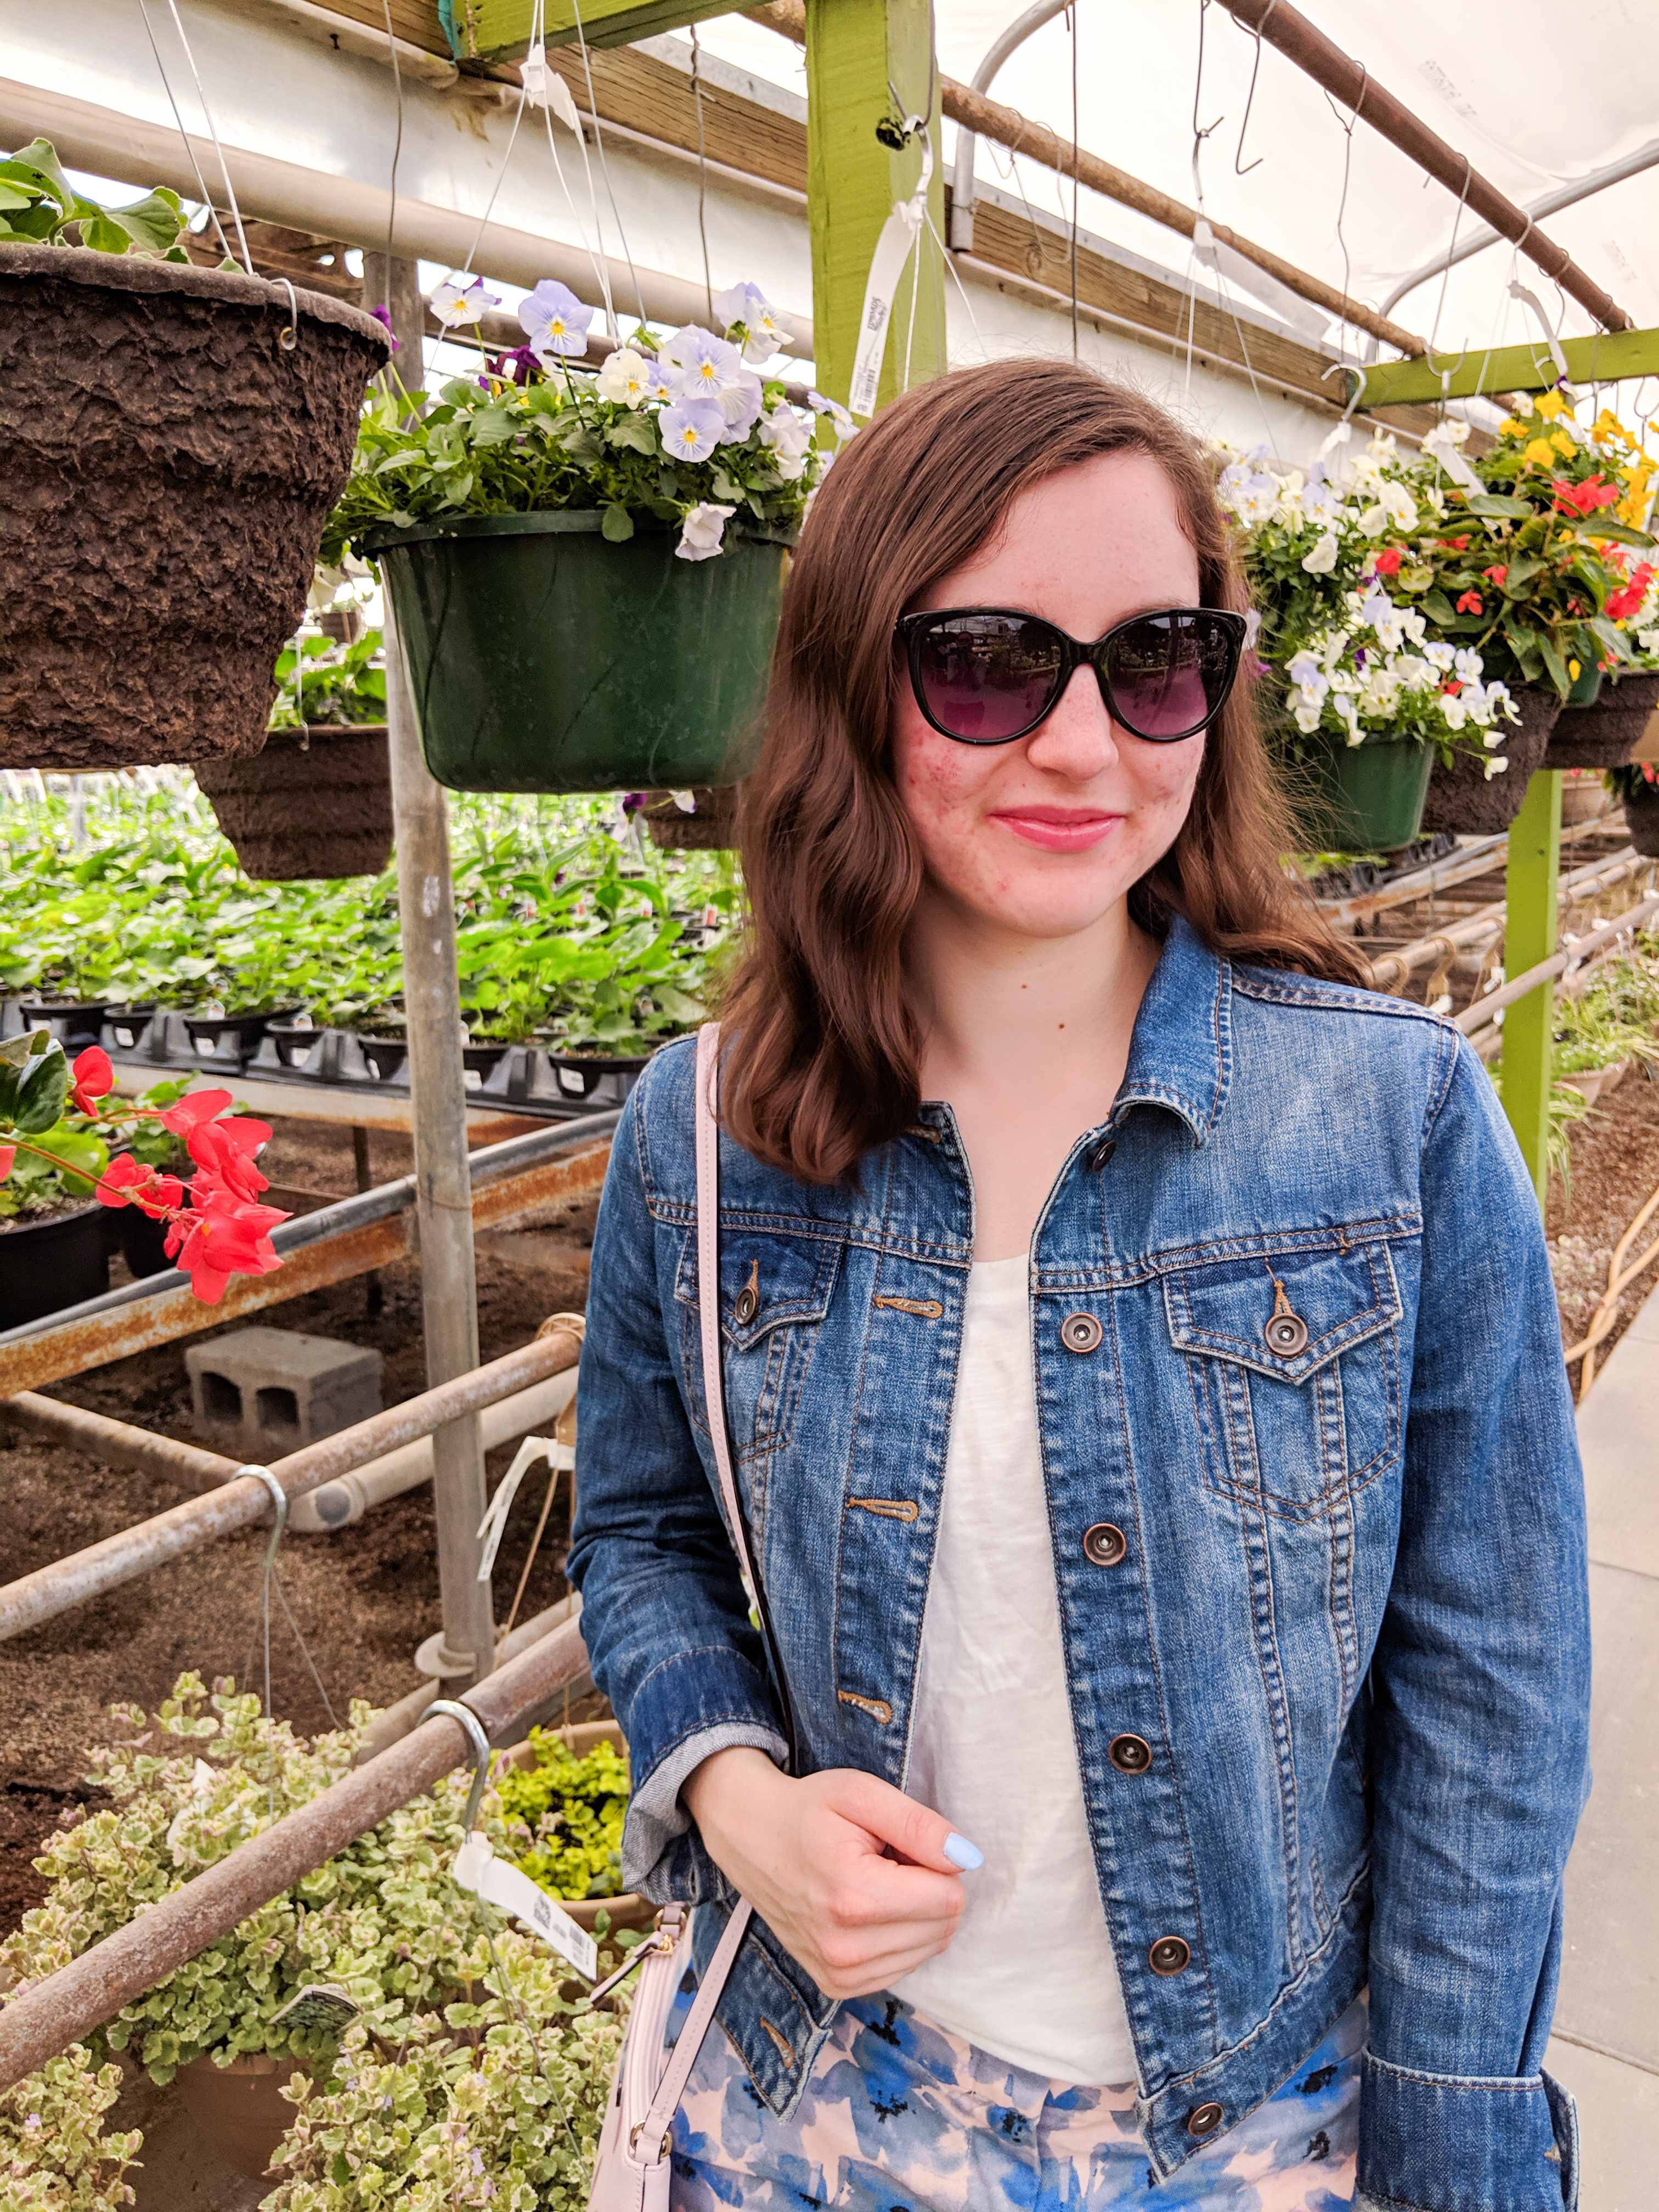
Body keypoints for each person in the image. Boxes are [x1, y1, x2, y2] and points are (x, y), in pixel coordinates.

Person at [568, 359, 1589, 2212]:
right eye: (987, 662)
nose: (1083, 744)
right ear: (853, 681)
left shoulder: (1391, 1124)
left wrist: (1457, 2142)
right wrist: (735, 1802)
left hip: (1258, 2134)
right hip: (811, 2111)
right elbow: (640, 1531)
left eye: (1155, 659)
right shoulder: (707, 1133)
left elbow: (1496, 1686)